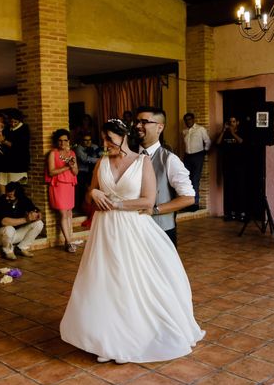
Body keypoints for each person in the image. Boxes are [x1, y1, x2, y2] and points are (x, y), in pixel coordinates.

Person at [60, 119, 204, 363]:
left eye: (109, 139)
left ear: (123, 137)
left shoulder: (142, 161)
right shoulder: (101, 162)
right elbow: (90, 194)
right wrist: (93, 192)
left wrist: (115, 204)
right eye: (103, 139)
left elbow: (148, 201)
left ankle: (132, 338)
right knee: (106, 281)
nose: (105, 144)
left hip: (132, 229)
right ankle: (109, 340)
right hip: (104, 230)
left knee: (129, 280)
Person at [135, 107, 195, 246]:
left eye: (144, 122)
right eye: (137, 121)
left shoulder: (169, 160)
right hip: (132, 230)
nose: (138, 126)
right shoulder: (130, 156)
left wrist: (155, 210)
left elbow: (189, 198)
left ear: (159, 127)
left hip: (160, 231)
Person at [46, 129, 78, 252]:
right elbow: (51, 171)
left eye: (65, 140)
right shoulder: (52, 154)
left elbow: (76, 172)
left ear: (68, 141)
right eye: (59, 141)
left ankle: (68, 240)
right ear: (56, 142)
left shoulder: (72, 153)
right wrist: (66, 167)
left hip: (69, 184)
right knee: (63, 213)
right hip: (58, 185)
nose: (62, 143)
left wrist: (73, 165)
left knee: (69, 213)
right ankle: (69, 242)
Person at [0, 181, 43, 260]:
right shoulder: (1, 201)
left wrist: (37, 215)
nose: (7, 197)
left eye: (11, 195)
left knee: (39, 223)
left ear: (18, 194)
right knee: (9, 228)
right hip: (0, 236)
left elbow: (34, 210)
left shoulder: (23, 199)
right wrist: (26, 219)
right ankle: (8, 251)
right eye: (7, 193)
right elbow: (4, 221)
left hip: (15, 234)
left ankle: (22, 248)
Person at [216, 116, 245, 221]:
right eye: (230, 122)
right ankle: (230, 213)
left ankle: (241, 213)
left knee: (239, 190)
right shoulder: (225, 133)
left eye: (233, 121)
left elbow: (241, 141)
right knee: (229, 190)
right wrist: (223, 131)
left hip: (239, 166)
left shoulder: (241, 132)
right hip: (227, 166)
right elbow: (218, 143)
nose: (231, 123)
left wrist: (233, 133)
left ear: (237, 122)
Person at [0, 109, 29, 195]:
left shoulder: (24, 129)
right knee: (1, 182)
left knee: (15, 188)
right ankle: (4, 202)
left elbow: (19, 147)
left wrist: (4, 141)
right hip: (6, 161)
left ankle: (14, 204)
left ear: (19, 120)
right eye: (11, 122)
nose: (13, 124)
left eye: (15, 122)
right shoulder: (6, 129)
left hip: (18, 162)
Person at [182, 112, 211, 211]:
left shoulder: (200, 129)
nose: (188, 121)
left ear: (193, 119)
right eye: (186, 120)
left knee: (195, 179)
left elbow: (207, 141)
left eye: (189, 119)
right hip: (187, 156)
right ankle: (187, 203)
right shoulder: (184, 131)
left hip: (198, 155)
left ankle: (195, 203)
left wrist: (204, 152)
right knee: (186, 179)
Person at [74, 134, 101, 212]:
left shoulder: (94, 146)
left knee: (92, 189)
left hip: (92, 172)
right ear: (82, 141)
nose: (88, 142)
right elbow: (85, 159)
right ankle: (81, 209)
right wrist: (98, 160)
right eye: (85, 140)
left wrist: (98, 158)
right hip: (82, 172)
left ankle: (91, 209)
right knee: (82, 191)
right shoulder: (79, 148)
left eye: (89, 140)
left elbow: (102, 155)